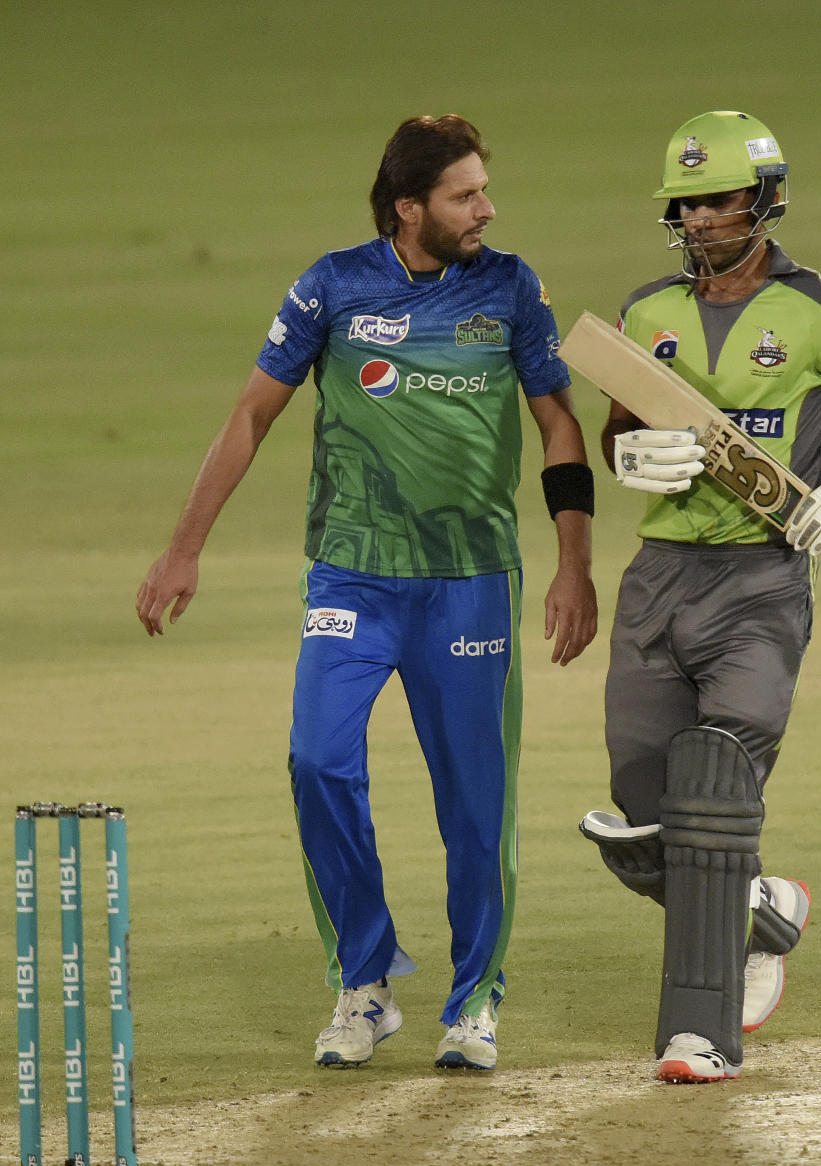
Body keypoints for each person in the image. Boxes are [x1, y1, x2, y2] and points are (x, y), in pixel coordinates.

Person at [136, 115, 598, 1071]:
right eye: (465, 195)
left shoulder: (510, 288)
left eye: (484, 189)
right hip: (352, 573)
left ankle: (475, 1000)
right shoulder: (332, 285)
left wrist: (574, 565)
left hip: (470, 582)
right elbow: (250, 416)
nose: (487, 208)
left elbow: (560, 427)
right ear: (409, 208)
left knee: (475, 802)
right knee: (317, 761)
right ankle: (365, 981)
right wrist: (183, 551)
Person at [579, 110, 821, 1084]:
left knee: (717, 787)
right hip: (658, 579)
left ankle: (700, 1032)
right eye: (684, 202)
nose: (698, 218)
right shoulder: (649, 312)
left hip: (762, 586)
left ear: (766, 201)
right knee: (645, 806)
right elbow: (618, 431)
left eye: (718, 199)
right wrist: (631, 457)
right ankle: (760, 912)